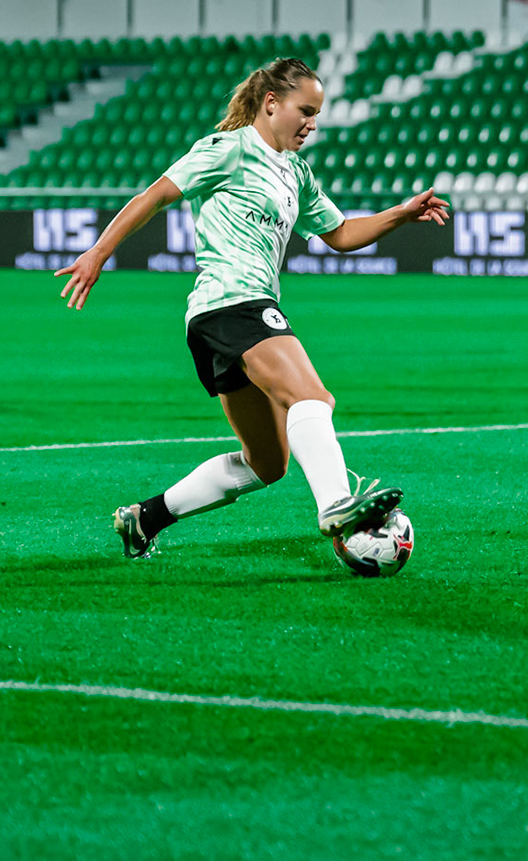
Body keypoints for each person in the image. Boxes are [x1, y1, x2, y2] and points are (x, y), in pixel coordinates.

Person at [54, 57, 450, 560]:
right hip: (232, 302)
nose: (312, 123)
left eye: (317, 114)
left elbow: (342, 234)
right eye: (304, 110)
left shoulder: (296, 174)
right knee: (312, 397)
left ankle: (144, 519)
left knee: (268, 462)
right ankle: (335, 504)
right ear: (270, 103)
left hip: (222, 317)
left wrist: (400, 213)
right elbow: (154, 196)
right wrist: (98, 252)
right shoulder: (227, 149)